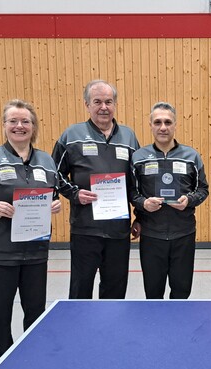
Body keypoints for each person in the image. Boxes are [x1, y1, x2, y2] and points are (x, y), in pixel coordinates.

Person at [0, 99, 62, 369]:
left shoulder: (47, 161)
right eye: (13, 121)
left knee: (35, 311)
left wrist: (55, 205)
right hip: (0, 253)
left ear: (34, 126)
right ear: (4, 125)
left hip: (35, 252)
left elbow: (52, 195)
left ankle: (33, 360)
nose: (20, 126)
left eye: (25, 121)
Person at [52, 80, 140, 299]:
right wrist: (74, 194)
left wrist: (140, 217)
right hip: (85, 229)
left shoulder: (129, 137)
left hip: (118, 230)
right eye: (97, 102)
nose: (103, 107)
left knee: (115, 291)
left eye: (108, 102)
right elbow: (54, 174)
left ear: (115, 104)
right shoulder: (71, 135)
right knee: (81, 289)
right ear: (87, 104)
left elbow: (137, 182)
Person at [129, 102, 209, 299]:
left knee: (182, 292)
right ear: (150, 125)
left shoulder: (191, 156)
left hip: (183, 234)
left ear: (175, 125)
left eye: (167, 122)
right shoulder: (138, 157)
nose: (163, 127)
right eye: (157, 122)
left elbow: (202, 189)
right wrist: (143, 204)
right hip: (151, 235)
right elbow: (132, 192)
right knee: (153, 293)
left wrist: (188, 200)